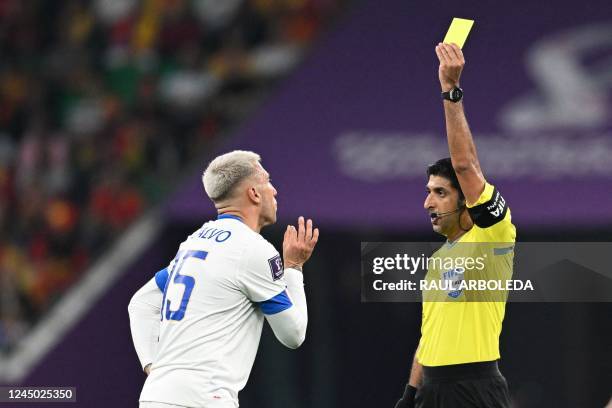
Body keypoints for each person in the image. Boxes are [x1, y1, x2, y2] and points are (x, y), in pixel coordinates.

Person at [128, 150, 319, 408]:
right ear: (253, 193)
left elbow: (141, 304)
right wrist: (294, 267)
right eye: (267, 182)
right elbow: (293, 334)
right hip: (204, 399)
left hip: (156, 396)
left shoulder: (194, 242)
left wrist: (154, 365)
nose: (274, 191)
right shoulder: (253, 249)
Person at [394, 43, 516, 408]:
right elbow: (429, 336)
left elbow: (467, 167)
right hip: (432, 388)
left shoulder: (493, 234)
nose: (428, 202)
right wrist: (410, 393)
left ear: (467, 201)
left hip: (475, 387)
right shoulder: (438, 259)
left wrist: (451, 91)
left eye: (440, 193)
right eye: (428, 192)